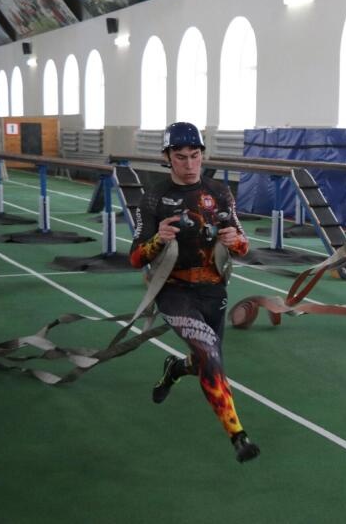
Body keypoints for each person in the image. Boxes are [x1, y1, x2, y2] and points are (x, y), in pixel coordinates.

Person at [129, 122, 260, 463]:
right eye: (180, 157)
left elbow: (244, 245)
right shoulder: (153, 197)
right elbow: (135, 257)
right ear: (167, 158)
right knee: (209, 352)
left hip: (213, 288)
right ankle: (238, 436)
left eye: (195, 156)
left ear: (202, 155)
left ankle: (175, 368)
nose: (189, 165)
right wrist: (158, 239)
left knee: (206, 359)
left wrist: (235, 240)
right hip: (174, 291)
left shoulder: (219, 191)